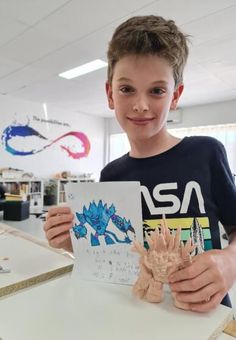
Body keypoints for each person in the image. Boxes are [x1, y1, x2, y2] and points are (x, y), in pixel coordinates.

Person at [44, 15, 236, 313]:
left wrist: (230, 261)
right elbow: (113, 253)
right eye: (127, 89)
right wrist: (74, 241)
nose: (141, 105)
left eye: (157, 90)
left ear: (176, 96)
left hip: (204, 314)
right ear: (110, 94)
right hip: (137, 311)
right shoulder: (112, 175)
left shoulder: (206, 153)